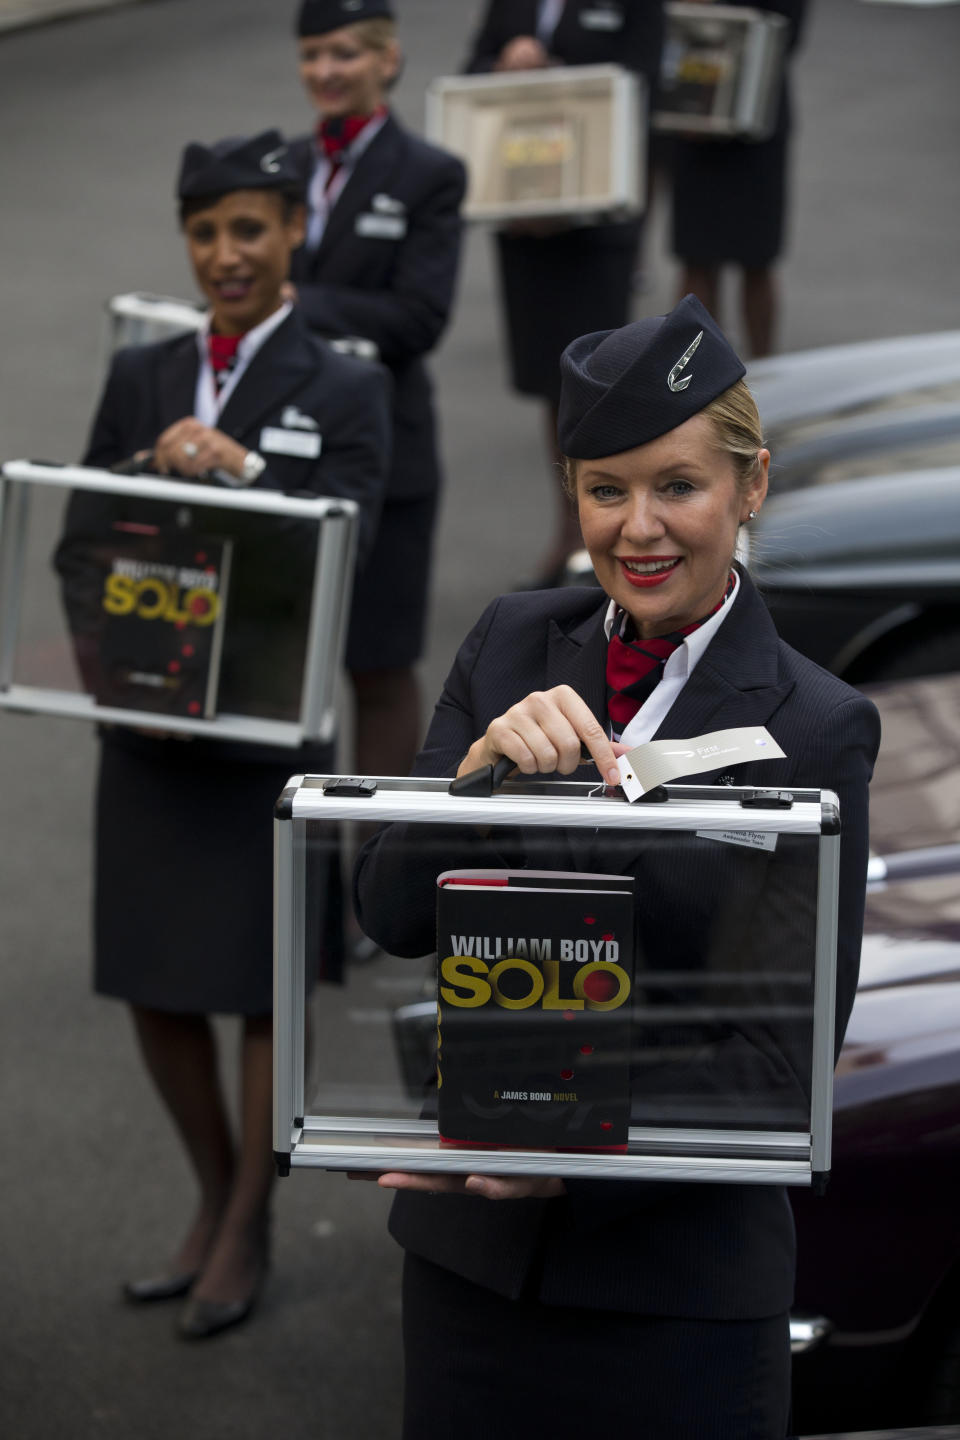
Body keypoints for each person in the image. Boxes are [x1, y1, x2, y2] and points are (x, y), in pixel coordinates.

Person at [353, 294, 881, 1436]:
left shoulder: (819, 724)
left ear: (751, 487)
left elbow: (783, 1069)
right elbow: (385, 909)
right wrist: (482, 782)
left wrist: (575, 1140)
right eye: (605, 490)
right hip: (473, 1279)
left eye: (677, 486)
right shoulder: (508, 641)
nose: (637, 529)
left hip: (676, 1300)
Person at [54, 130, 390, 1340]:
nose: (226, 254)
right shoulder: (143, 374)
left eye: (250, 229)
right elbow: (79, 535)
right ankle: (210, 1189)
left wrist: (240, 469)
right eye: (205, 233)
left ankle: (248, 1219)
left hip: (261, 732)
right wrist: (121, 675)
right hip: (151, 728)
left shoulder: (349, 387)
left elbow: (347, 546)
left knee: (258, 987)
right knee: (154, 983)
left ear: (295, 231)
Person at [286, 0, 467, 780]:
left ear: (387, 60)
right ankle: (298, 883)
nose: (326, 71)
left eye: (345, 54)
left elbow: (419, 319)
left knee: (380, 669)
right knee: (279, 670)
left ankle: (375, 879)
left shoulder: (429, 174)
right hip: (284, 447)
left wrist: (302, 306)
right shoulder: (282, 166)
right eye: (313, 54)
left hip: (390, 456)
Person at [464, 0, 665, 584]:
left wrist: (554, 70)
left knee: (597, 385)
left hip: (596, 216)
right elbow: (470, 69)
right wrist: (503, 64)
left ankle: (611, 534)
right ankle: (572, 532)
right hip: (524, 209)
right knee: (548, 385)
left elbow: (645, 80)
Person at [670, 0, 808, 356]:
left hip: (756, 111)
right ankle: (697, 377)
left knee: (757, 257)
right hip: (692, 108)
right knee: (696, 256)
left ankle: (767, 373)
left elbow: (787, 30)